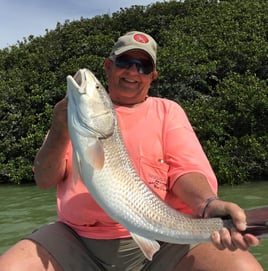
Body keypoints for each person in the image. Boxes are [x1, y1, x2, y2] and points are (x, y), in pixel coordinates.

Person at [0, 31, 263, 271]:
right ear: (109, 66)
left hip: (166, 239)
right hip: (77, 238)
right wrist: (59, 128)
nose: (133, 72)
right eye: (125, 62)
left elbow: (186, 171)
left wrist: (208, 204)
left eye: (144, 66)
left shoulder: (167, 112)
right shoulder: (72, 121)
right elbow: (44, 180)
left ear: (153, 76)